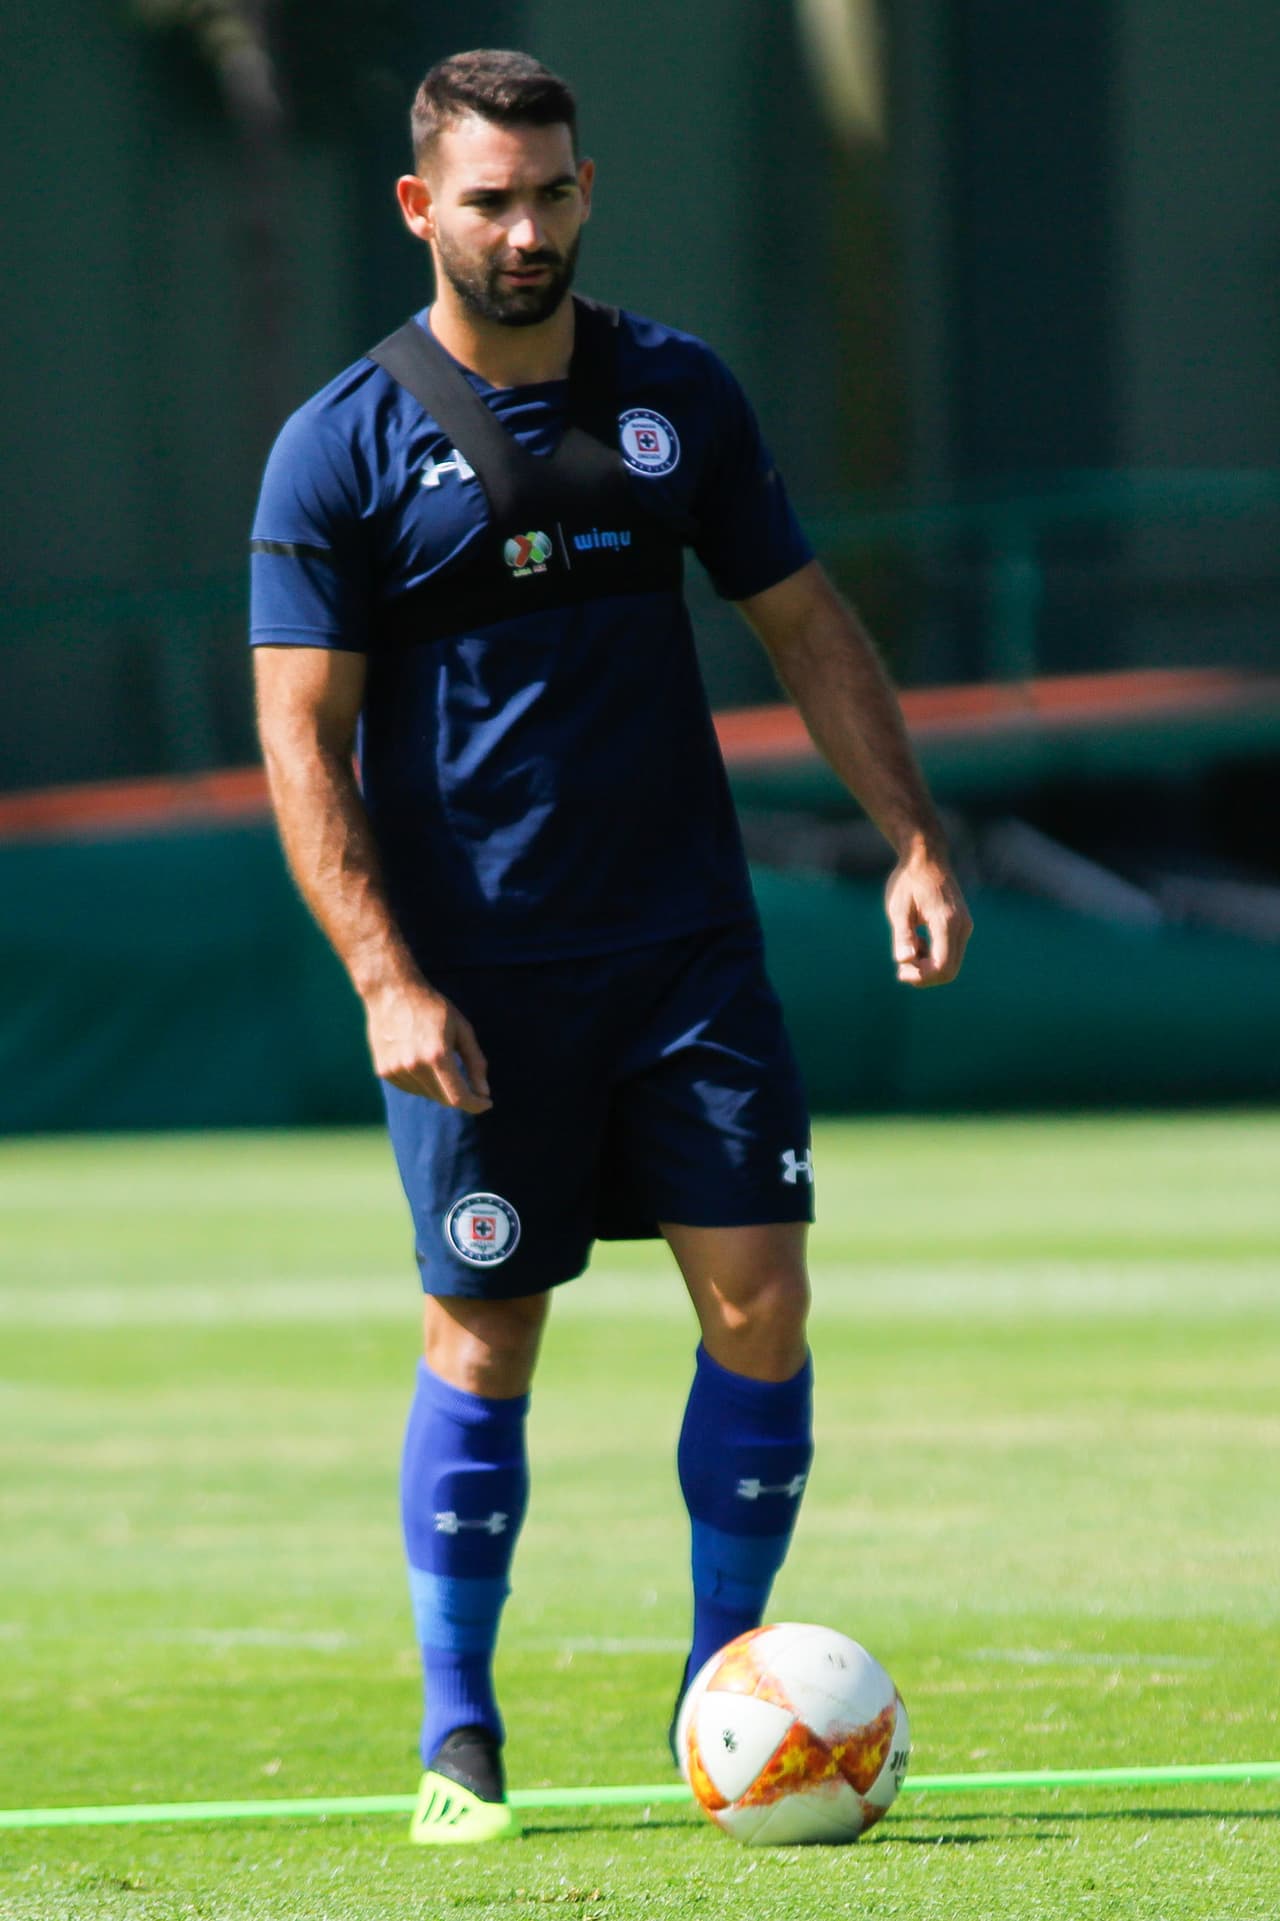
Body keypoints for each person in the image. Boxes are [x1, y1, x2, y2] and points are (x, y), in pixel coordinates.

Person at [250, 47, 971, 1847]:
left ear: (588, 190)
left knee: (764, 1299)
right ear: (421, 208)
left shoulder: (678, 395)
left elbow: (804, 625)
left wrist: (913, 836)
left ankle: (725, 1691)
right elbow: (297, 737)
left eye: (553, 191)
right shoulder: (339, 441)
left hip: (686, 955)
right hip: (481, 980)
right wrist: (385, 975)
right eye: (489, 200)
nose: (527, 229)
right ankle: (460, 1731)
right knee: (485, 1327)